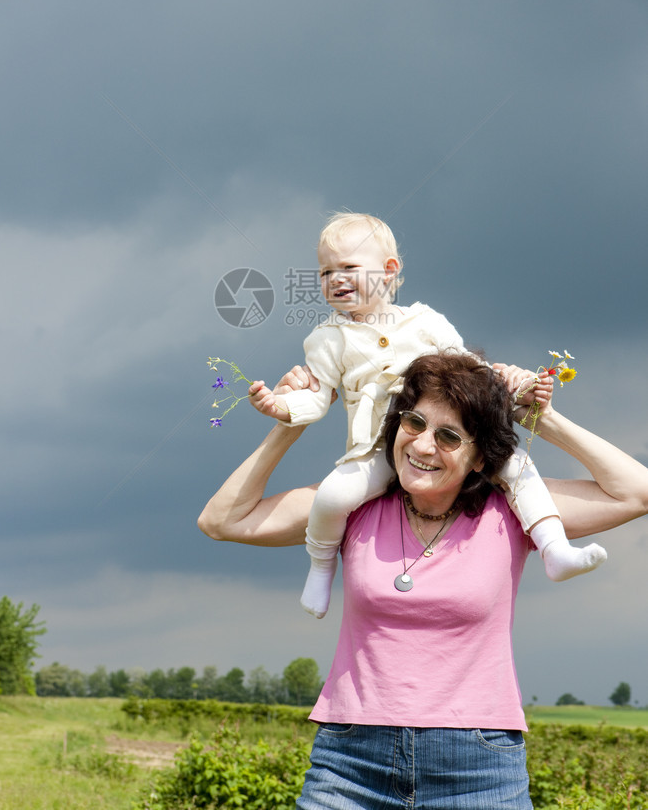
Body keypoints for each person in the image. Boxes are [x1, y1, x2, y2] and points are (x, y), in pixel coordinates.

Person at [198, 353, 648, 810]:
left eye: (449, 436)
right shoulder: (355, 506)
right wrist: (293, 417)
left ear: (479, 459)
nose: (423, 446)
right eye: (414, 423)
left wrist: (541, 418)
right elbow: (221, 521)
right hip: (351, 762)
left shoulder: (511, 510)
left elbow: (638, 491)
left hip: (478, 765)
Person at [250, 211, 605, 618]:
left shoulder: (425, 321)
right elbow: (317, 398)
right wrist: (281, 407)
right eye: (325, 272)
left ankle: (554, 547)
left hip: (441, 440)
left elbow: (471, 369)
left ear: (388, 271)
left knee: (516, 466)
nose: (335, 279)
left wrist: (518, 384)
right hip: (377, 448)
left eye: (348, 267)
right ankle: (320, 566)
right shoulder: (326, 339)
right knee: (333, 496)